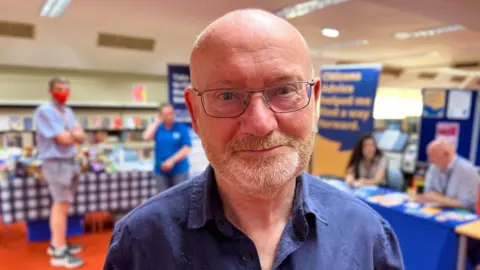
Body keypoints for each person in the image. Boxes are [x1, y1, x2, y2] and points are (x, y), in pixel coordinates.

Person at [104, 9, 404, 270]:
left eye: (285, 90)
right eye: (227, 95)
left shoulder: (368, 235)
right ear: (195, 114)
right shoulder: (141, 241)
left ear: (314, 102)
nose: (260, 124)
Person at [34, 77, 85, 268]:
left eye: (66, 89)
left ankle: (57, 244)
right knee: (60, 205)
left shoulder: (67, 111)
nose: (63, 92)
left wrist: (71, 135)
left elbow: (81, 135)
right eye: (59, 88)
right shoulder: (45, 111)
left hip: (69, 162)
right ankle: (59, 253)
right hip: (56, 163)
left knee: (63, 205)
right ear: (50, 91)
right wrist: (73, 135)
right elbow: (63, 139)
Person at [416, 138, 479, 210]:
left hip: (460, 214)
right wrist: (450, 200)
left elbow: (468, 203)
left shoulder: (467, 170)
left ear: (447, 154)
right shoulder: (434, 166)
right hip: (436, 209)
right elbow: (428, 191)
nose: (429, 160)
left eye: (433, 156)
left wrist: (440, 199)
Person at [142, 103, 192, 192]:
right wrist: (156, 122)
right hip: (160, 171)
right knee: (162, 200)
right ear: (161, 116)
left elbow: (186, 148)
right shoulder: (158, 128)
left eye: (171, 113)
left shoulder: (181, 128)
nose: (170, 116)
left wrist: (171, 161)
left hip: (179, 170)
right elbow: (146, 137)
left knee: (179, 198)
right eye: (166, 114)